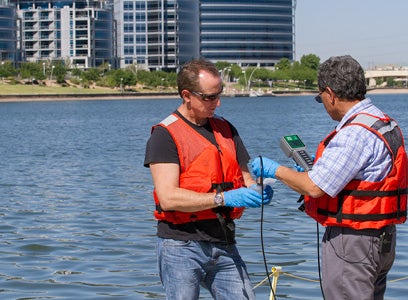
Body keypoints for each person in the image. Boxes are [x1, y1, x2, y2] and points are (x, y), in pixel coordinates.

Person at [252, 55, 407, 300]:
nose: (322, 103)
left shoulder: (353, 133)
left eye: (320, 97)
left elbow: (314, 188)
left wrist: (275, 170)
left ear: (330, 93)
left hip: (354, 242)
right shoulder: (382, 121)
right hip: (383, 237)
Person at [144, 58, 273, 300]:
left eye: (219, 94)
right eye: (209, 97)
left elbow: (245, 178)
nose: (218, 102)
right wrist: (224, 197)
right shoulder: (165, 135)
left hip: (223, 241)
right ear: (186, 95)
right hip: (180, 246)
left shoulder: (226, 128)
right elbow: (168, 197)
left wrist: (258, 190)